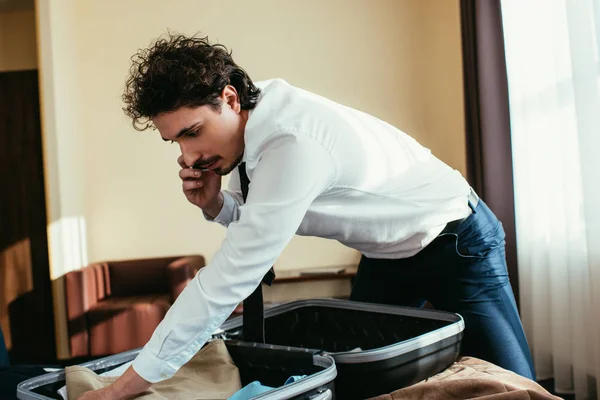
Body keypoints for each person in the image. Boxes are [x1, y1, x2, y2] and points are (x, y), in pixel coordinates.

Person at [78, 33, 535, 400]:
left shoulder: (292, 144)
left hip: (455, 237)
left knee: (517, 385)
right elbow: (257, 217)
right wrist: (215, 204)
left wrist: (123, 388)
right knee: (364, 379)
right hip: (386, 252)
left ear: (230, 99)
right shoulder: (248, 131)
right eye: (175, 142)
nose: (190, 155)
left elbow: (228, 279)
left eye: (193, 133)